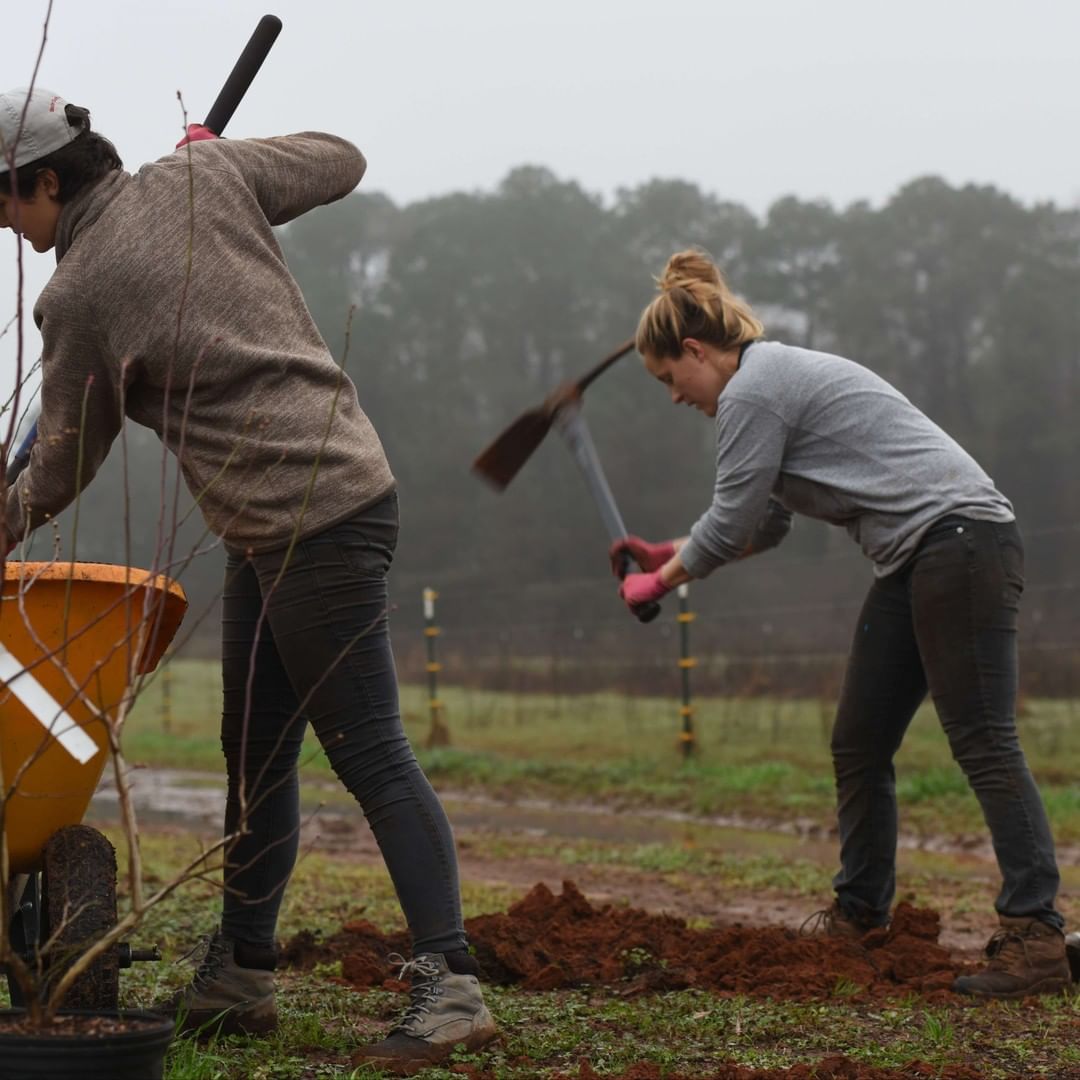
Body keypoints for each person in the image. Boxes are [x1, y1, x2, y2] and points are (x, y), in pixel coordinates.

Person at [0, 86, 496, 1068]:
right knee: (256, 751)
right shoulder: (205, 176)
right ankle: (242, 971)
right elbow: (342, 157)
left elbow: (58, 464)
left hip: (312, 518)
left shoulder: (80, 291)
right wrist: (222, 160)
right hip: (304, 506)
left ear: (48, 181)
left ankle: (452, 987)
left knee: (368, 748)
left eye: (7, 205)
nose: (9, 229)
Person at [609, 247, 1070, 1000]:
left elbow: (727, 527)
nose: (673, 396)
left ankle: (1036, 936)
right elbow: (767, 526)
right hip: (918, 558)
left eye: (670, 378)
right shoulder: (767, 385)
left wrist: (655, 582)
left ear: (696, 350)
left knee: (983, 739)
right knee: (859, 741)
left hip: (961, 544)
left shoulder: (756, 391)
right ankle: (860, 915)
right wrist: (668, 551)